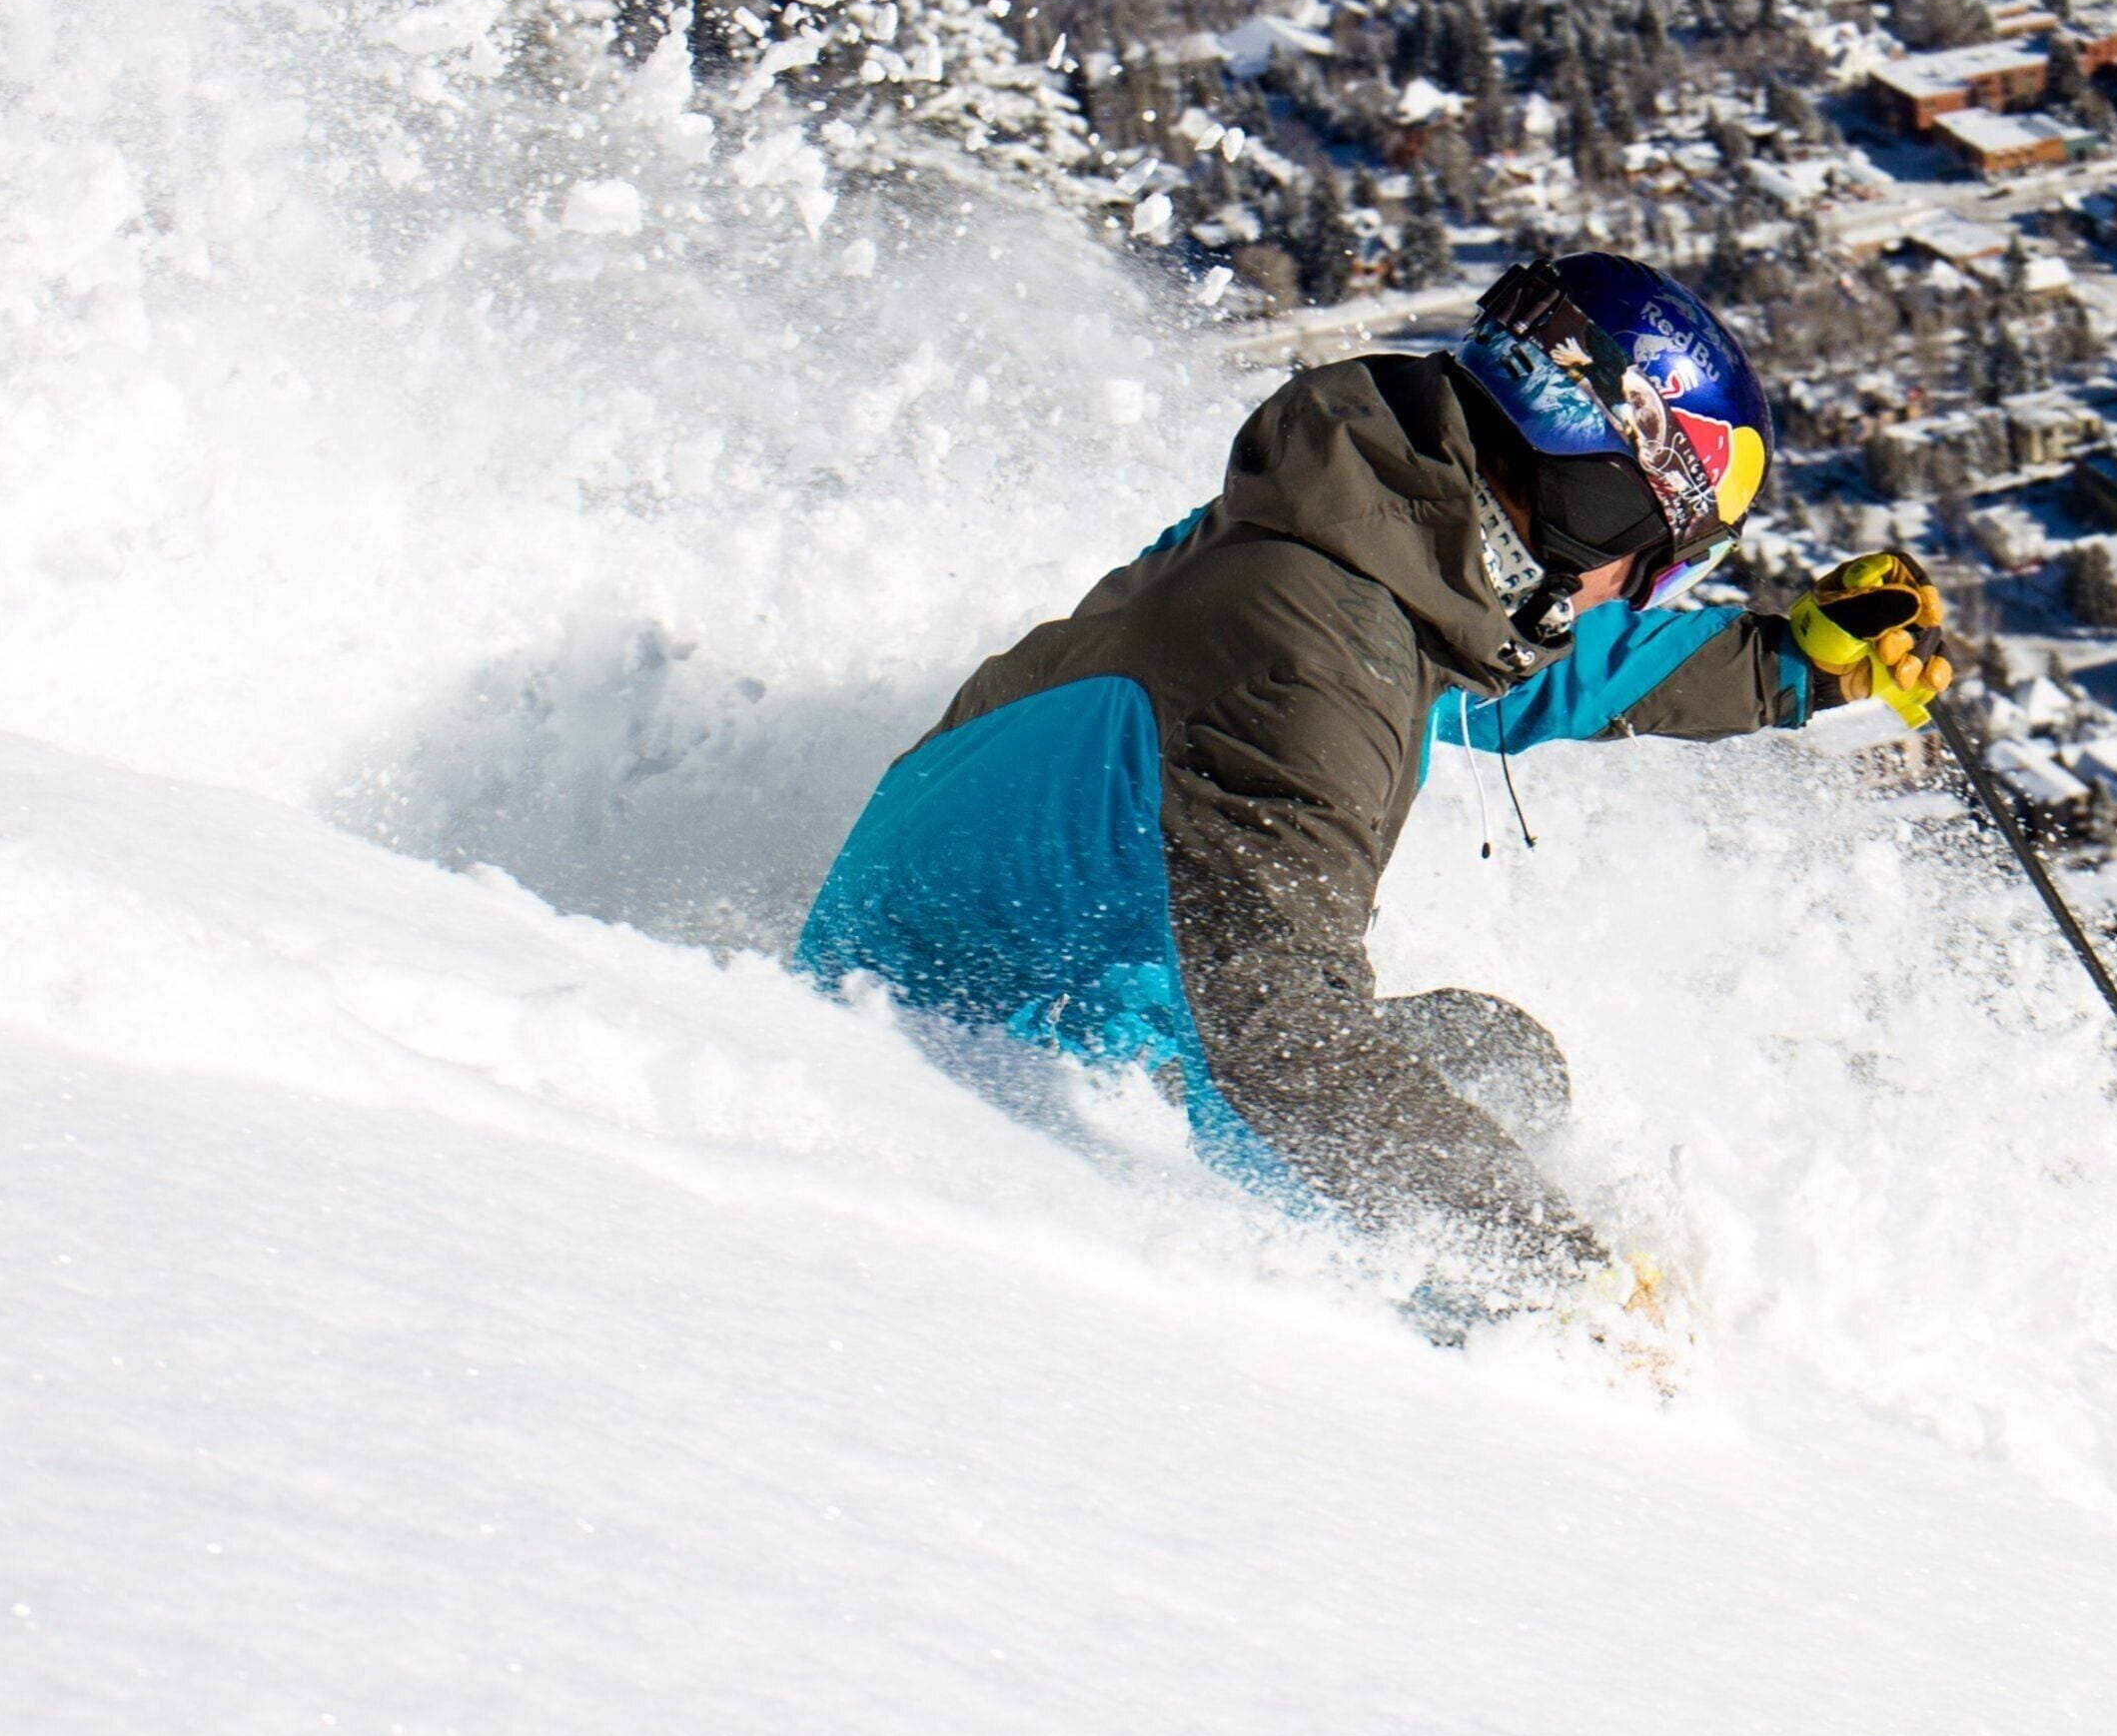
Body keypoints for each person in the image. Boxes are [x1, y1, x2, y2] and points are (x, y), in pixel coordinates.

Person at [794, 254, 1950, 1305]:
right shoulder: (1311, 664)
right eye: (1659, 561)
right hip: (973, 1057)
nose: (1639, 589)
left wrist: (1788, 668)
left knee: (1501, 1058)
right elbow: (1286, 1044)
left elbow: (1525, 671)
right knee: (1451, 1124)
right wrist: (1566, 1282)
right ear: (1591, 501)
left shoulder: (1347, 530)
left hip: (1030, 969)